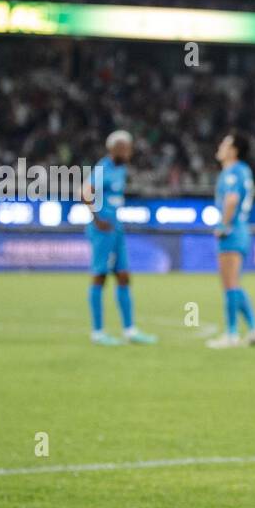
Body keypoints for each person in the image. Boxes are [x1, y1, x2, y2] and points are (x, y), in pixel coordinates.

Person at [83, 131, 157, 346]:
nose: (129, 152)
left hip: (116, 228)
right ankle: (97, 333)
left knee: (123, 276)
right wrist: (97, 218)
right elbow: (85, 192)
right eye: (125, 148)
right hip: (102, 229)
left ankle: (130, 330)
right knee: (100, 277)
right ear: (113, 148)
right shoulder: (103, 168)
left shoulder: (120, 169)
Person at [206, 132, 255, 348]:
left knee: (229, 284)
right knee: (235, 284)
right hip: (241, 230)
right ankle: (254, 329)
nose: (220, 145)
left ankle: (231, 334)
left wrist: (223, 225)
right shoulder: (243, 171)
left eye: (225, 142)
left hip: (232, 231)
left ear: (234, 150)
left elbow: (231, 199)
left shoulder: (233, 171)